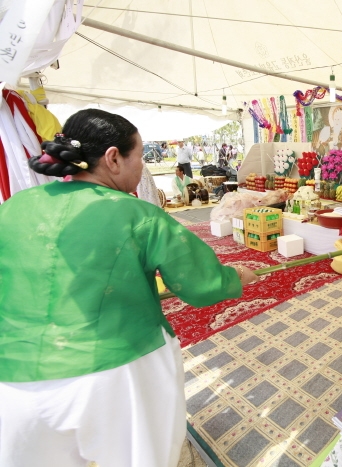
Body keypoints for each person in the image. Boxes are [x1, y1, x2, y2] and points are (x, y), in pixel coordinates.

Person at [0, 109, 258, 467]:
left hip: (14, 381)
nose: (142, 169)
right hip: (116, 372)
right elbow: (200, 285)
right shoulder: (135, 213)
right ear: (113, 158)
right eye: (139, 158)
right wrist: (236, 277)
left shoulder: (13, 207)